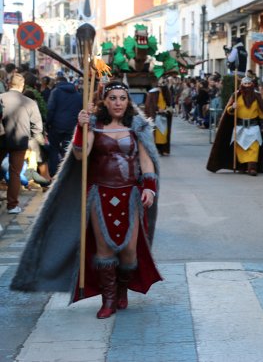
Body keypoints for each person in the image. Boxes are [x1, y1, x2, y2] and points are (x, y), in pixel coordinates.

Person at [11, 81, 162, 319]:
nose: (118, 103)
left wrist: (150, 189)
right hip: (100, 194)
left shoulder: (137, 126)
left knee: (129, 251)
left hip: (130, 194)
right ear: (105, 101)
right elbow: (81, 155)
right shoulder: (94, 125)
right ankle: (109, 299)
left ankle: (122, 289)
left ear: (128, 101)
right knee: (103, 248)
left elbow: (146, 161)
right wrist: (81, 128)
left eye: (122, 98)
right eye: (113, 98)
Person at [0, 73, 45, 214]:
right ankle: (12, 205)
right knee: (15, 172)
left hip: (0, 140)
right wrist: (28, 135)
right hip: (20, 142)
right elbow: (38, 127)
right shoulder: (30, 102)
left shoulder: (1, 98)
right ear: (22, 86)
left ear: (9, 84)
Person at [206, 77, 263, 176]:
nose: (247, 86)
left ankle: (252, 167)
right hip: (240, 127)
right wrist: (232, 108)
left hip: (253, 127)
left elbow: (262, 112)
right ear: (241, 85)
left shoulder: (257, 96)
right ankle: (242, 166)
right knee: (241, 147)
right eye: (245, 84)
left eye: (249, 83)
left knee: (254, 147)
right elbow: (228, 111)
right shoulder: (236, 96)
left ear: (252, 85)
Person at [46, 76, 83, 176]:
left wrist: (47, 124)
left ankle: (54, 173)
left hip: (56, 127)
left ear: (58, 82)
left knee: (54, 149)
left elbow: (50, 110)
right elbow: (80, 110)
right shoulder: (78, 95)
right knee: (67, 150)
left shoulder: (55, 92)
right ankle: (66, 174)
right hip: (71, 127)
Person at [144, 82, 173, 156]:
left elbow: (169, 102)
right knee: (157, 134)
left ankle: (164, 149)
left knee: (164, 133)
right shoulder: (153, 92)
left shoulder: (166, 91)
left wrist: (166, 109)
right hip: (156, 115)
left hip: (164, 115)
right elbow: (149, 105)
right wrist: (157, 109)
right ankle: (158, 149)